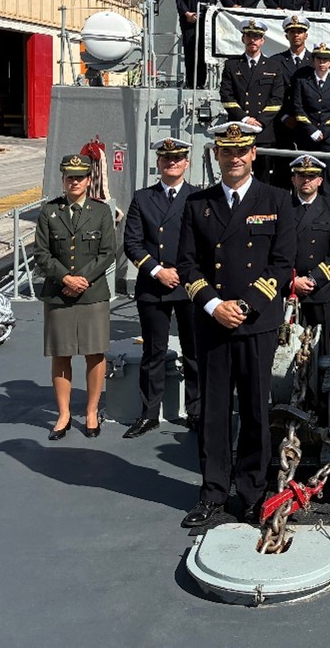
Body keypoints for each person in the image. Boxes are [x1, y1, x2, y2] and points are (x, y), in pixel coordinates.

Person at [176, 122, 296, 528]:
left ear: (254, 153)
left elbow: (281, 263)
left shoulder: (277, 200)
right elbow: (187, 264)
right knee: (212, 412)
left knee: (254, 411)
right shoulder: (198, 204)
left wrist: (245, 305)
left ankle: (251, 493)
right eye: (226, 151)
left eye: (241, 150)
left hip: (256, 322)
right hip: (213, 322)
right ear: (216, 155)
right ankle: (212, 492)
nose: (234, 158)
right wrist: (214, 305)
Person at [33, 154, 118, 440]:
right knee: (61, 354)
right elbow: (41, 253)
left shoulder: (101, 212)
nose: (75, 182)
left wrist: (82, 280)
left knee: (95, 353)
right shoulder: (49, 212)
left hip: (92, 294)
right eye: (70, 177)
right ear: (63, 179)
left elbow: (107, 252)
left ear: (89, 180)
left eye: (80, 177)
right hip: (59, 294)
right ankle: (64, 414)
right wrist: (66, 279)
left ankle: (91, 412)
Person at [121, 138, 199, 437]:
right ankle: (149, 413)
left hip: (189, 285)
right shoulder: (143, 198)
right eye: (167, 158)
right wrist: (158, 271)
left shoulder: (198, 197)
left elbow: (206, 242)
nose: (172, 163)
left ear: (186, 163)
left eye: (178, 158)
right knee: (153, 352)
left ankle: (196, 411)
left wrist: (182, 273)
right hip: (154, 285)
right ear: (159, 163)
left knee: (194, 352)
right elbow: (132, 243)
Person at [287, 154, 330, 360]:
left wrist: (313, 279)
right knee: (284, 347)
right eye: (301, 176)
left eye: (311, 176)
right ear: (293, 179)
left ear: (320, 180)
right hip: (287, 289)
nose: (306, 180)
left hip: (319, 290)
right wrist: (292, 281)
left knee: (322, 353)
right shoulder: (282, 207)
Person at [219, 17, 286, 181]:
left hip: (263, 132)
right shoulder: (232, 66)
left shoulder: (273, 66)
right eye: (249, 36)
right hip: (238, 130)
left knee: (263, 178)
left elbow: (277, 99)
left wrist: (260, 122)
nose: (252, 40)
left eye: (256, 37)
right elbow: (227, 96)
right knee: (237, 174)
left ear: (262, 40)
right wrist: (245, 119)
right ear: (243, 39)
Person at [291, 42, 330, 190]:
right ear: (313, 61)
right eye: (319, 59)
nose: (322, 63)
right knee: (305, 178)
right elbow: (298, 108)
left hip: (329, 140)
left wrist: (323, 132)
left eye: (325, 60)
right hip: (307, 138)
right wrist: (312, 131)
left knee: (325, 180)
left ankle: (325, 205)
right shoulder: (302, 82)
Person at [269, 15, 313, 186]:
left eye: (300, 32)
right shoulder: (276, 61)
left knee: (308, 173)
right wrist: (284, 116)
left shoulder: (315, 61)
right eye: (292, 32)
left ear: (306, 35)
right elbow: (271, 94)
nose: (296, 35)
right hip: (284, 124)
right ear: (286, 35)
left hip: (308, 125)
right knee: (282, 172)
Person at [174, 0, 215, 89]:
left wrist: (200, 15)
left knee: (202, 51)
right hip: (188, 22)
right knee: (189, 51)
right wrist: (187, 13)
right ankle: (190, 81)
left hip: (203, 22)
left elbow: (212, 0)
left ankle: (201, 82)